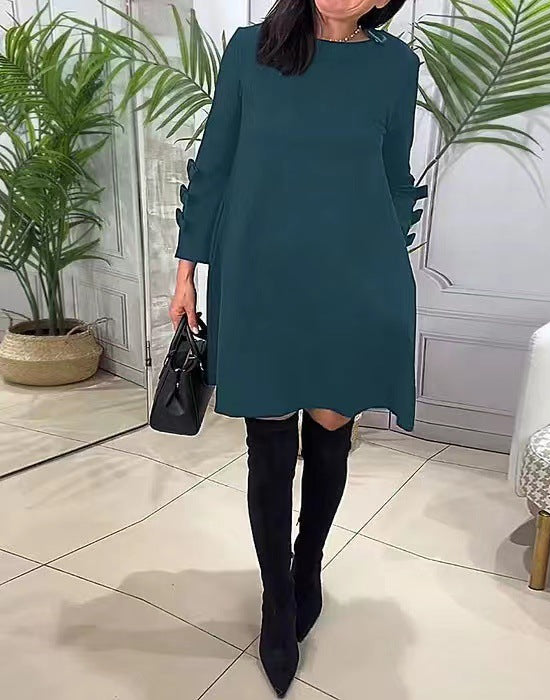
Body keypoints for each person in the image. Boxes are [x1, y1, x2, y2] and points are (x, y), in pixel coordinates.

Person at [169, 0, 426, 695]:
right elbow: (215, 162)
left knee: (331, 431)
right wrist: (187, 270)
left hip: (354, 276)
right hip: (260, 274)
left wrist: (390, 270)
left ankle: (307, 563)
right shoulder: (252, 50)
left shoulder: (396, 66)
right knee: (270, 441)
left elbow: (393, 176)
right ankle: (277, 598)